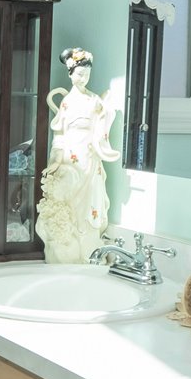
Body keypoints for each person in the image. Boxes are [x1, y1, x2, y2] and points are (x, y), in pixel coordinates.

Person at [37, 48, 119, 263]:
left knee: (91, 202)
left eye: (87, 75)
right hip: (70, 157)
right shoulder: (67, 102)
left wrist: (107, 110)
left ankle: (88, 249)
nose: (83, 79)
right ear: (70, 74)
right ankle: (65, 251)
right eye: (80, 74)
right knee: (67, 202)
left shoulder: (94, 100)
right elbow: (59, 134)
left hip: (90, 157)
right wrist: (55, 159)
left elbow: (104, 118)